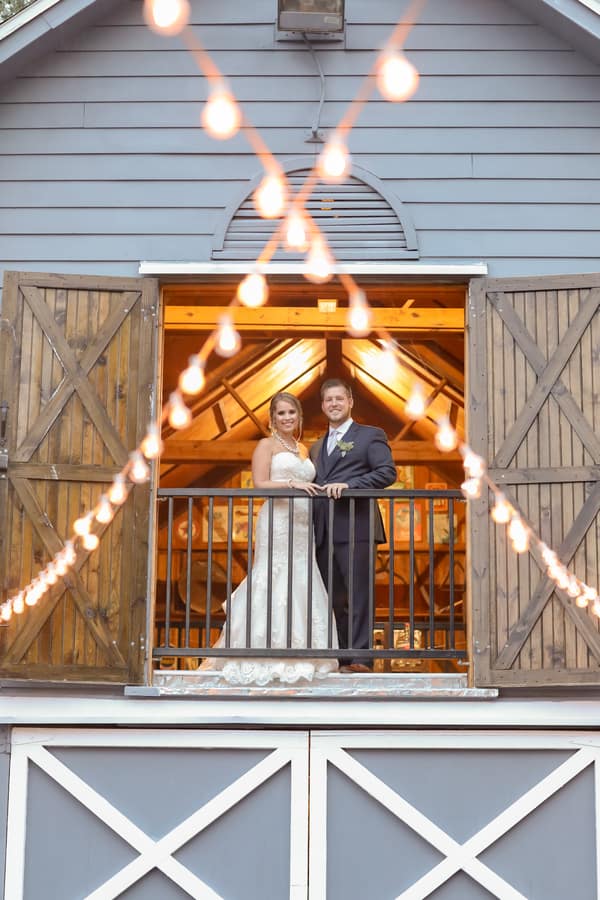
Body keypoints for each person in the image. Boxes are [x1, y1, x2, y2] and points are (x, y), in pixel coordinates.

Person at [202, 392, 338, 685]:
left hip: (303, 525)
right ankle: (260, 648)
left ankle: (303, 649)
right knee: (273, 574)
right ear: (272, 418)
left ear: (299, 416)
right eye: (281, 413)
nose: (287, 418)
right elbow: (261, 483)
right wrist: (292, 484)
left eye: (292, 413)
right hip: (277, 519)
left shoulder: (303, 449)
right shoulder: (266, 445)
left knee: (302, 576)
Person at [310, 378, 397, 672]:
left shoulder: (370, 435)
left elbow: (387, 473)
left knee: (359, 595)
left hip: (356, 526)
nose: (334, 404)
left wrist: (351, 485)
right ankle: (341, 657)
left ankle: (361, 659)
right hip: (323, 530)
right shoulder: (315, 446)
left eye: (339, 399)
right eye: (328, 400)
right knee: (333, 598)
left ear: (350, 402)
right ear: (323, 406)